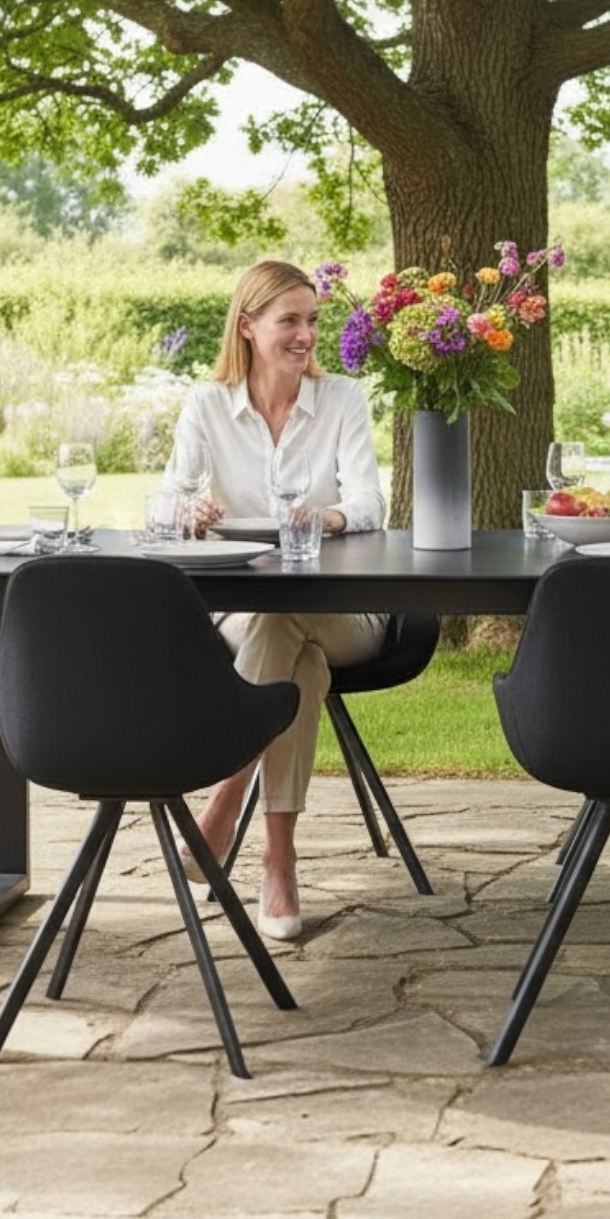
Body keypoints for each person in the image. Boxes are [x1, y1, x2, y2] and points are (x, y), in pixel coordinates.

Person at [163, 259, 387, 943]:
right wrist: (186, 510)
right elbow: (163, 498)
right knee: (296, 658)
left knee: (287, 618)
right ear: (249, 327)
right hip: (249, 619)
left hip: (346, 613)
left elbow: (372, 504)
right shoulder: (208, 405)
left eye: (313, 320)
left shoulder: (342, 399)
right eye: (289, 320)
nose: (306, 334)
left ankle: (227, 797)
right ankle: (278, 858)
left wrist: (327, 520)